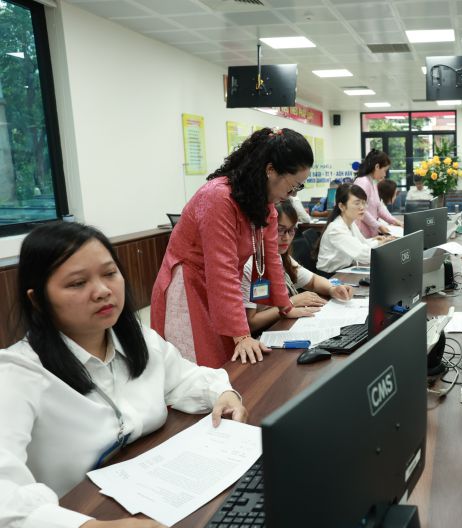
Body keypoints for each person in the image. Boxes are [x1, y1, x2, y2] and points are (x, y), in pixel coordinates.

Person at [0, 222, 246, 528]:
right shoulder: (16, 375)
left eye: (110, 273)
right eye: (77, 283)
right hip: (85, 522)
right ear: (39, 300)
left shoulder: (137, 340)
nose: (102, 290)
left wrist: (224, 393)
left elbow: (186, 378)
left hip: (156, 498)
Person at [150, 127, 316, 369]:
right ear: (270, 170)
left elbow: (272, 260)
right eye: (292, 186)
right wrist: (241, 334)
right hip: (189, 286)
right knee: (198, 367)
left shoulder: (265, 205)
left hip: (221, 289)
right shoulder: (218, 198)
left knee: (229, 361)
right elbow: (221, 270)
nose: (291, 195)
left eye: (298, 189)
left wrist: (285, 306)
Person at [241, 201, 353, 334]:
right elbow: (250, 323)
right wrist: (292, 302)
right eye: (280, 230)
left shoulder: (279, 256)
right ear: (264, 229)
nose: (287, 238)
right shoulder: (249, 264)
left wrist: (332, 289)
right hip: (263, 338)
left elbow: (312, 281)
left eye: (291, 230)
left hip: (281, 327)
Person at [317, 183, 391, 274]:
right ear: (342, 206)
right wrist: (383, 245)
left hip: (343, 270)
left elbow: (362, 244)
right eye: (357, 203)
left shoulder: (350, 223)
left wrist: (379, 241)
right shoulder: (336, 229)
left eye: (364, 203)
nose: (362, 207)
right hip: (330, 276)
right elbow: (363, 255)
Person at [354, 150, 402, 237]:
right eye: (384, 170)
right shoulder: (363, 182)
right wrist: (378, 226)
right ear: (377, 166)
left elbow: (379, 208)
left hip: (370, 233)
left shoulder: (372, 182)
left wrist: (394, 221)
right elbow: (361, 210)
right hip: (362, 234)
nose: (384, 175)